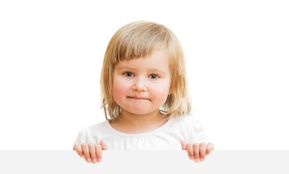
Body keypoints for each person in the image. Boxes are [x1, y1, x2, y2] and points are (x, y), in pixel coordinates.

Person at [73, 20, 214, 163]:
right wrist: (85, 158)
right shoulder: (91, 139)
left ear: (173, 84)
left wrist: (200, 156)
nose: (139, 86)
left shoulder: (188, 130)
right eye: (128, 74)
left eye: (153, 76)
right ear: (109, 77)